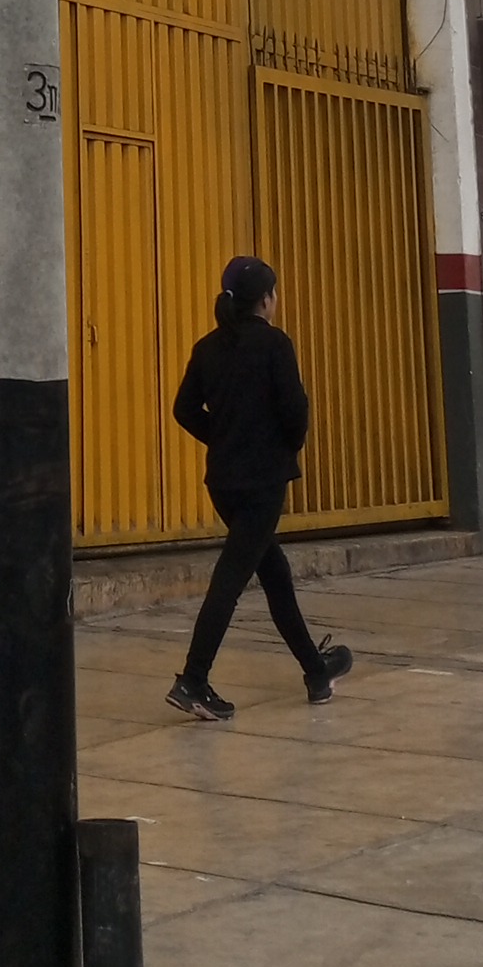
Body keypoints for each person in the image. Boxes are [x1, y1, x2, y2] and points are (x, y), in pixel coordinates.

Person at [166, 255, 352, 718]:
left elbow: (184, 409)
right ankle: (193, 680)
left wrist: (223, 438)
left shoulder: (208, 347)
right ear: (266, 299)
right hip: (263, 482)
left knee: (275, 575)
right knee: (230, 580)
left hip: (223, 482)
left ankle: (316, 671)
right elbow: (295, 412)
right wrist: (280, 447)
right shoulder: (274, 344)